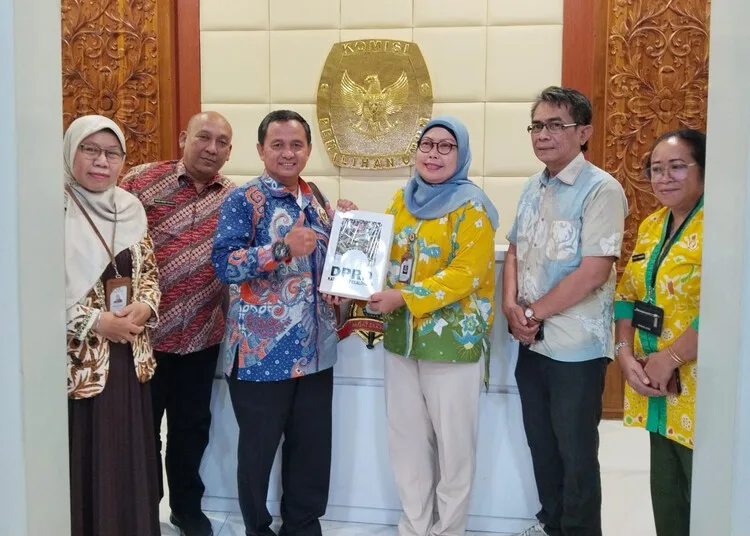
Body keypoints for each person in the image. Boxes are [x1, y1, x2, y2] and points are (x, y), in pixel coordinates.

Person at [211, 109, 356, 536]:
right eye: (277, 145)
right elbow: (223, 264)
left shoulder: (317, 199)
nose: (287, 153)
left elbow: (328, 265)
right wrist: (280, 249)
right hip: (261, 354)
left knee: (311, 450)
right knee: (257, 453)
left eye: (296, 145)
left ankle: (303, 526)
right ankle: (257, 528)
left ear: (308, 150)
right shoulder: (244, 199)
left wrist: (347, 230)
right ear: (261, 150)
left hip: (316, 352)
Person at [502, 86, 628, 536]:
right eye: (537, 125)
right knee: (542, 446)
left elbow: (594, 271)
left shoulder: (601, 189)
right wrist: (510, 306)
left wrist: (532, 313)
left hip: (576, 349)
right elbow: (514, 250)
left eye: (556, 125)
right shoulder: (532, 186)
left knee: (576, 455)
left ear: (584, 132)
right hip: (531, 343)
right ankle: (551, 525)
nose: (543, 135)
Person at [368, 116, 499, 536]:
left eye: (446, 146)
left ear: (461, 154)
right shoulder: (400, 201)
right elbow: (378, 254)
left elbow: (467, 273)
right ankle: (414, 525)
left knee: (454, 448)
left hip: (452, 344)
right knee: (406, 442)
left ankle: (449, 530)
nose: (434, 154)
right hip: (401, 340)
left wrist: (405, 297)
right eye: (427, 145)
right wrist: (351, 227)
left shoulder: (472, 207)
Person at [120, 111, 235, 536]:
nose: (212, 148)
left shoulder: (235, 198)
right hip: (143, 336)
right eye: (204, 137)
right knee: (142, 432)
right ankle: (142, 509)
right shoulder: (141, 182)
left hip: (202, 337)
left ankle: (187, 510)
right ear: (184, 137)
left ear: (229, 151)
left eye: (222, 142)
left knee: (191, 431)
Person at [64, 115, 161, 535]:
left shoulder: (130, 208)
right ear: (71, 151)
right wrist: (95, 322)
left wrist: (144, 307)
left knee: (126, 457)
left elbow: (150, 274)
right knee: (84, 461)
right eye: (90, 150)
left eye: (112, 153)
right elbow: (31, 293)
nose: (101, 161)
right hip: (76, 366)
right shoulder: (51, 209)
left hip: (128, 361)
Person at [614, 129, 705, 536]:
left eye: (677, 167)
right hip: (656, 386)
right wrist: (624, 353)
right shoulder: (652, 225)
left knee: (704, 499)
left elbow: (726, 309)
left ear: (704, 170)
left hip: (701, 389)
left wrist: (670, 358)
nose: (664, 178)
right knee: (667, 499)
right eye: (656, 169)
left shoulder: (722, 226)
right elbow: (627, 295)